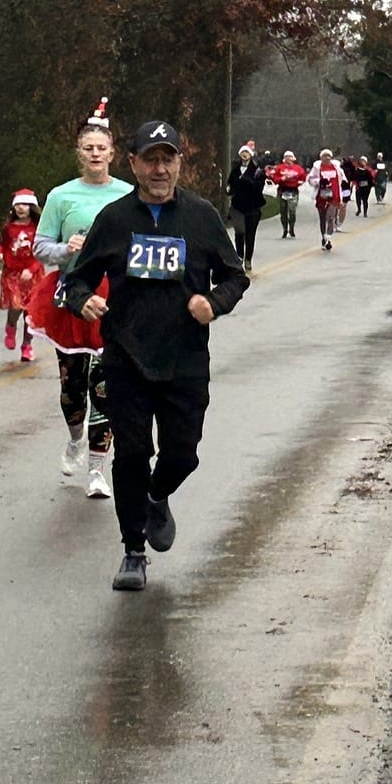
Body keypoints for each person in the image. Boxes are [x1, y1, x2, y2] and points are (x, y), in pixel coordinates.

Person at [61, 119, 249, 592]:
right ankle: (132, 551)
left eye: (168, 159)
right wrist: (83, 299)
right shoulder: (116, 219)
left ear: (180, 163)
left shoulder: (202, 217)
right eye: (151, 159)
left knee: (182, 454)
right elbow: (75, 280)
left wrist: (214, 303)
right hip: (126, 355)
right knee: (131, 454)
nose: (160, 168)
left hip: (185, 356)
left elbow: (235, 276)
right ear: (134, 164)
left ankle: (157, 495)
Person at [27, 99, 133, 496]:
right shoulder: (61, 196)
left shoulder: (127, 194)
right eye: (88, 148)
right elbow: (40, 247)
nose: (94, 154)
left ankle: (96, 468)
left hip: (113, 296)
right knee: (73, 386)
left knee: (105, 384)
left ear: (111, 153)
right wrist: (66, 249)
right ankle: (74, 436)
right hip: (71, 293)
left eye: (101, 148)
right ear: (80, 154)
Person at [0, 189, 41, 363]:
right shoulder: (8, 228)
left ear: (32, 207)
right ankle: (11, 326)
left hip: (32, 274)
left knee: (30, 313)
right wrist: (0, 254)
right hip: (12, 274)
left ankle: (27, 345)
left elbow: (40, 251)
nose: (21, 208)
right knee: (15, 305)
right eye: (18, 205)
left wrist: (32, 268)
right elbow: (4, 245)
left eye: (25, 205)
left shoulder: (37, 228)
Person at [225, 143, 269, 272]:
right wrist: (229, 189)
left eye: (247, 153)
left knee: (250, 235)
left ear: (251, 155)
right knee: (239, 232)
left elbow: (259, 187)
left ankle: (248, 259)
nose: (245, 155)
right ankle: (239, 256)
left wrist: (249, 181)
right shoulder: (235, 170)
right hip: (237, 206)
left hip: (253, 207)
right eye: (242, 153)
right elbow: (230, 186)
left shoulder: (257, 171)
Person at [308, 148, 351, 251]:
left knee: (331, 217)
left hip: (333, 196)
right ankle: (323, 237)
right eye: (324, 156)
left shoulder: (336, 167)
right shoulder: (317, 167)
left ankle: (329, 238)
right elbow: (310, 179)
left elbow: (342, 180)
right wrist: (319, 181)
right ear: (321, 158)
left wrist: (342, 196)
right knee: (323, 218)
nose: (327, 158)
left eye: (328, 156)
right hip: (321, 196)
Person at [266, 150, 307, 238]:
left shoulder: (298, 168)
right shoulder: (279, 168)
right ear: (284, 158)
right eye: (286, 157)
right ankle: (285, 229)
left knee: (292, 210)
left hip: (293, 191)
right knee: (283, 211)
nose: (288, 159)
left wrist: (297, 182)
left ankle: (291, 228)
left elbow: (303, 178)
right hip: (282, 190)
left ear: (293, 158)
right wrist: (282, 179)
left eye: (290, 157)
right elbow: (275, 179)